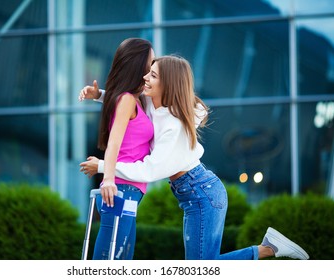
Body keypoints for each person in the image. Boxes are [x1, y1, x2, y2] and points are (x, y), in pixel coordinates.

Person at [79, 55, 309, 260]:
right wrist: (99, 95)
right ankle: (267, 248)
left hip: (202, 192)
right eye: (149, 71)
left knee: (201, 267)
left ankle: (267, 249)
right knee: (201, 266)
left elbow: (150, 170)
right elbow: (127, 104)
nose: (145, 77)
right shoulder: (152, 103)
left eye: (153, 74)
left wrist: (102, 166)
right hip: (192, 193)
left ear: (168, 83)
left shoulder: (173, 124)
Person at [82, 38, 155, 260]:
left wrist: (98, 95)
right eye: (150, 63)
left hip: (132, 190)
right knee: (109, 259)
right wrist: (109, 180)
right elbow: (114, 142)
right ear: (138, 65)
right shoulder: (127, 101)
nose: (152, 69)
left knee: (123, 258)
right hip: (121, 189)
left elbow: (114, 95)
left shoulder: (136, 98)